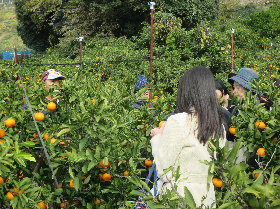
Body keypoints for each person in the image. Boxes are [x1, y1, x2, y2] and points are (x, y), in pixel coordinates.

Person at [149, 66, 226, 207]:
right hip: (207, 198)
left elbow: (163, 170)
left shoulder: (178, 121)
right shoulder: (217, 126)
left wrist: (157, 138)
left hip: (178, 198)